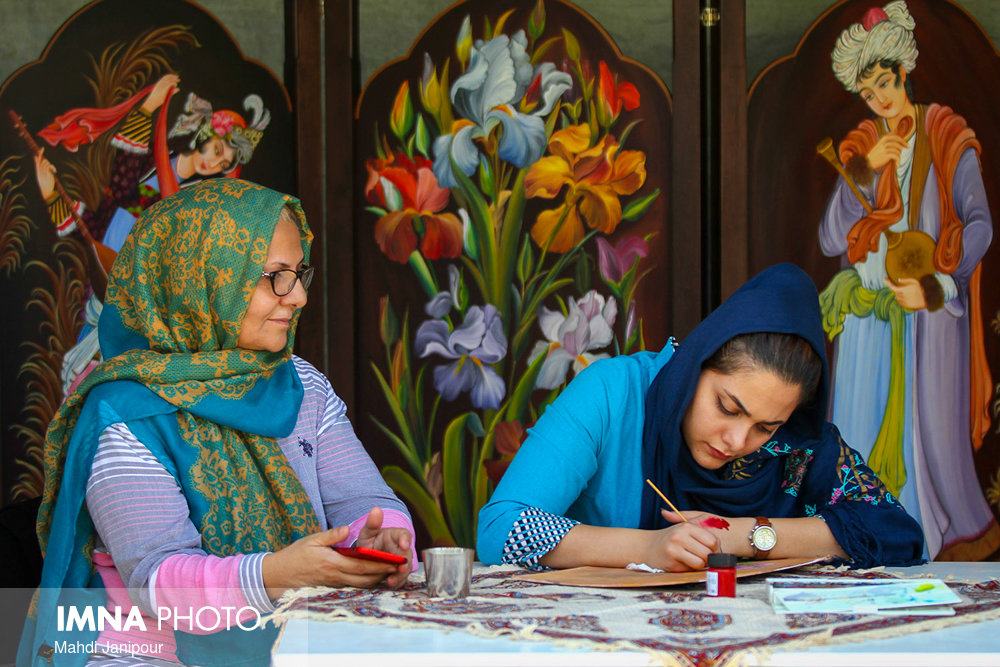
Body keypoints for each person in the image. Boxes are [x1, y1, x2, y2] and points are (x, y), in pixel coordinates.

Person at [18, 179, 416, 666]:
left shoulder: (301, 384)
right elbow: (156, 579)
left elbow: (364, 499)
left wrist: (382, 536)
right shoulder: (122, 413)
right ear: (201, 280)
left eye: (298, 274)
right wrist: (276, 575)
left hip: (292, 639)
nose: (297, 298)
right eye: (274, 275)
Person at [477, 263, 924, 572]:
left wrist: (743, 536)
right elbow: (502, 528)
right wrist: (649, 547)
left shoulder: (796, 444)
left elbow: (896, 532)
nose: (737, 439)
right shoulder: (614, 393)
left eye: (765, 426)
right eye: (728, 407)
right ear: (696, 365)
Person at [820, 0, 997, 560]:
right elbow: (831, 238)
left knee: (929, 439)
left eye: (885, 84)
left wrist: (938, 287)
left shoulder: (945, 138)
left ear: (904, 71)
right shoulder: (862, 148)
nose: (879, 100)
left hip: (926, 312)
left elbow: (980, 226)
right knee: (859, 431)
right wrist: (866, 170)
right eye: (868, 94)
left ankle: (930, 538)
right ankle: (856, 538)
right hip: (869, 320)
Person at [33, 73, 271, 395]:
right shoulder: (154, 160)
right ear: (203, 135)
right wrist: (50, 194)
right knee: (86, 373)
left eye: (224, 162)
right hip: (106, 278)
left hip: (144, 296)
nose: (213, 161)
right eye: (216, 148)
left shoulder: (198, 201)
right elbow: (98, 219)